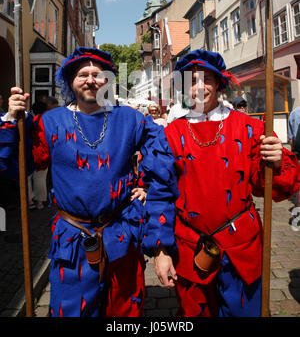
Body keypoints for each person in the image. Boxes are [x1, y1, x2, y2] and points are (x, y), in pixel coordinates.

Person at [0, 47, 178, 317]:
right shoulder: (50, 121)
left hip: (122, 234)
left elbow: (163, 158)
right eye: (83, 74)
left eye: (98, 74)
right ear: (71, 81)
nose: (91, 80)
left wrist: (146, 185)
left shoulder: (129, 118)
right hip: (72, 240)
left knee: (124, 314)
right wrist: (13, 121)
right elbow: (14, 167)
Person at [154, 49, 300, 317]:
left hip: (241, 247)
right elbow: (159, 195)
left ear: (219, 83)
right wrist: (161, 250)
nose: (199, 87)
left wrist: (276, 162)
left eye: (207, 79)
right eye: (191, 80)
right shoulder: (170, 134)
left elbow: (272, 188)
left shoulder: (249, 128)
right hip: (189, 247)